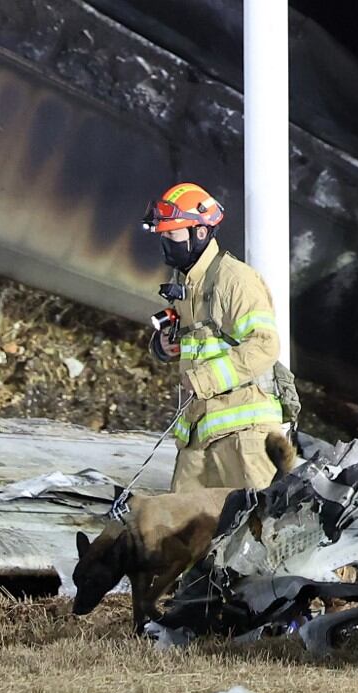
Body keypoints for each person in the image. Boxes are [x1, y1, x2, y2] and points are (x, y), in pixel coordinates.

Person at [143, 182, 283, 492]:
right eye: (164, 235)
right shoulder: (186, 282)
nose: (166, 241)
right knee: (184, 530)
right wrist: (167, 347)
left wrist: (205, 378)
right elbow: (202, 341)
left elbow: (265, 344)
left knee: (257, 524)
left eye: (172, 234)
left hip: (243, 432)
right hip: (201, 430)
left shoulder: (235, 280)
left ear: (200, 233)